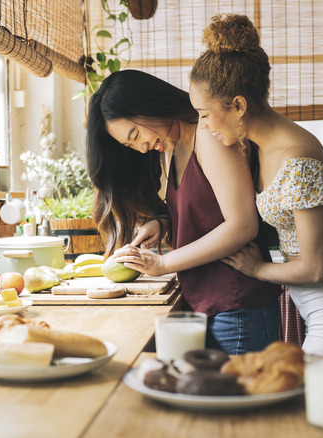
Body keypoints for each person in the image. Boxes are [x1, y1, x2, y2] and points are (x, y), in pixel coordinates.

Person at [188, 14, 323, 355]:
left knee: (311, 403)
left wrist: (257, 269)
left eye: (205, 113)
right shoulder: (259, 145)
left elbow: (318, 269)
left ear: (239, 105)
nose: (204, 125)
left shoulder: (297, 161)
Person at [86, 69, 282, 355]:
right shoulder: (172, 148)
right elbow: (203, 209)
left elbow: (243, 225)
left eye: (136, 133)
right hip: (208, 306)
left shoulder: (209, 135)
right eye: (130, 144)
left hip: (237, 308)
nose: (141, 148)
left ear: (148, 104)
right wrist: (161, 222)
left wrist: (164, 264)